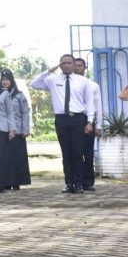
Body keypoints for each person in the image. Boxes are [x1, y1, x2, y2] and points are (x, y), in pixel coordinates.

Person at [30, 54, 94, 194]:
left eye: (69, 63)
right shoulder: (52, 80)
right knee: (66, 153)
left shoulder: (83, 81)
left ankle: (78, 184)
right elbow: (34, 83)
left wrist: (89, 121)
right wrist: (49, 70)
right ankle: (69, 183)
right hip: (61, 119)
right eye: (63, 63)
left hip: (78, 119)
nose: (66, 65)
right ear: (60, 65)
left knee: (77, 153)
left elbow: (89, 102)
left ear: (73, 64)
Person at [74, 58, 102, 191]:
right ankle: (76, 181)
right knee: (76, 152)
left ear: (85, 68)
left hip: (89, 119)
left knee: (88, 152)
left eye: (80, 66)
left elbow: (98, 105)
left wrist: (99, 125)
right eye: (76, 66)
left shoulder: (93, 85)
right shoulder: (70, 85)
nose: (77, 68)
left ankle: (88, 181)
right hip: (75, 119)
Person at [1, 69, 31, 190]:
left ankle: (17, 181)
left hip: (18, 130)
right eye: (2, 80)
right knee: (5, 158)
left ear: (11, 80)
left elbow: (25, 113)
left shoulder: (19, 95)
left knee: (17, 158)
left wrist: (26, 129)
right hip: (3, 130)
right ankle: (6, 182)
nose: (4, 82)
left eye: (7, 79)